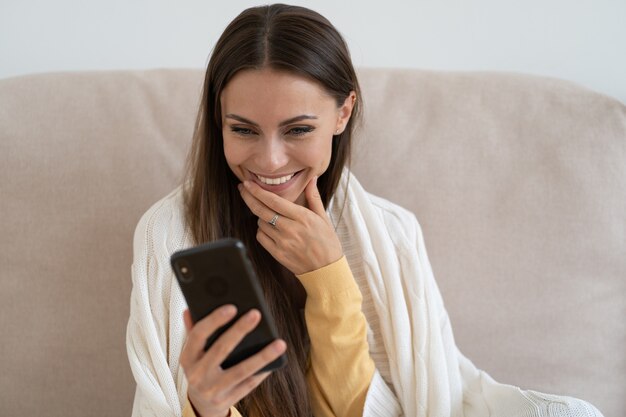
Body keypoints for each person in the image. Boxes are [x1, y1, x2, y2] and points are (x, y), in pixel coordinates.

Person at [126, 4, 604, 417]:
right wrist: (204, 407)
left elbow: (414, 403)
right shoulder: (167, 236)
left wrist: (329, 280)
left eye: (297, 130)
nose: (269, 161)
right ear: (218, 118)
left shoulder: (392, 234)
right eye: (244, 130)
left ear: (343, 113)